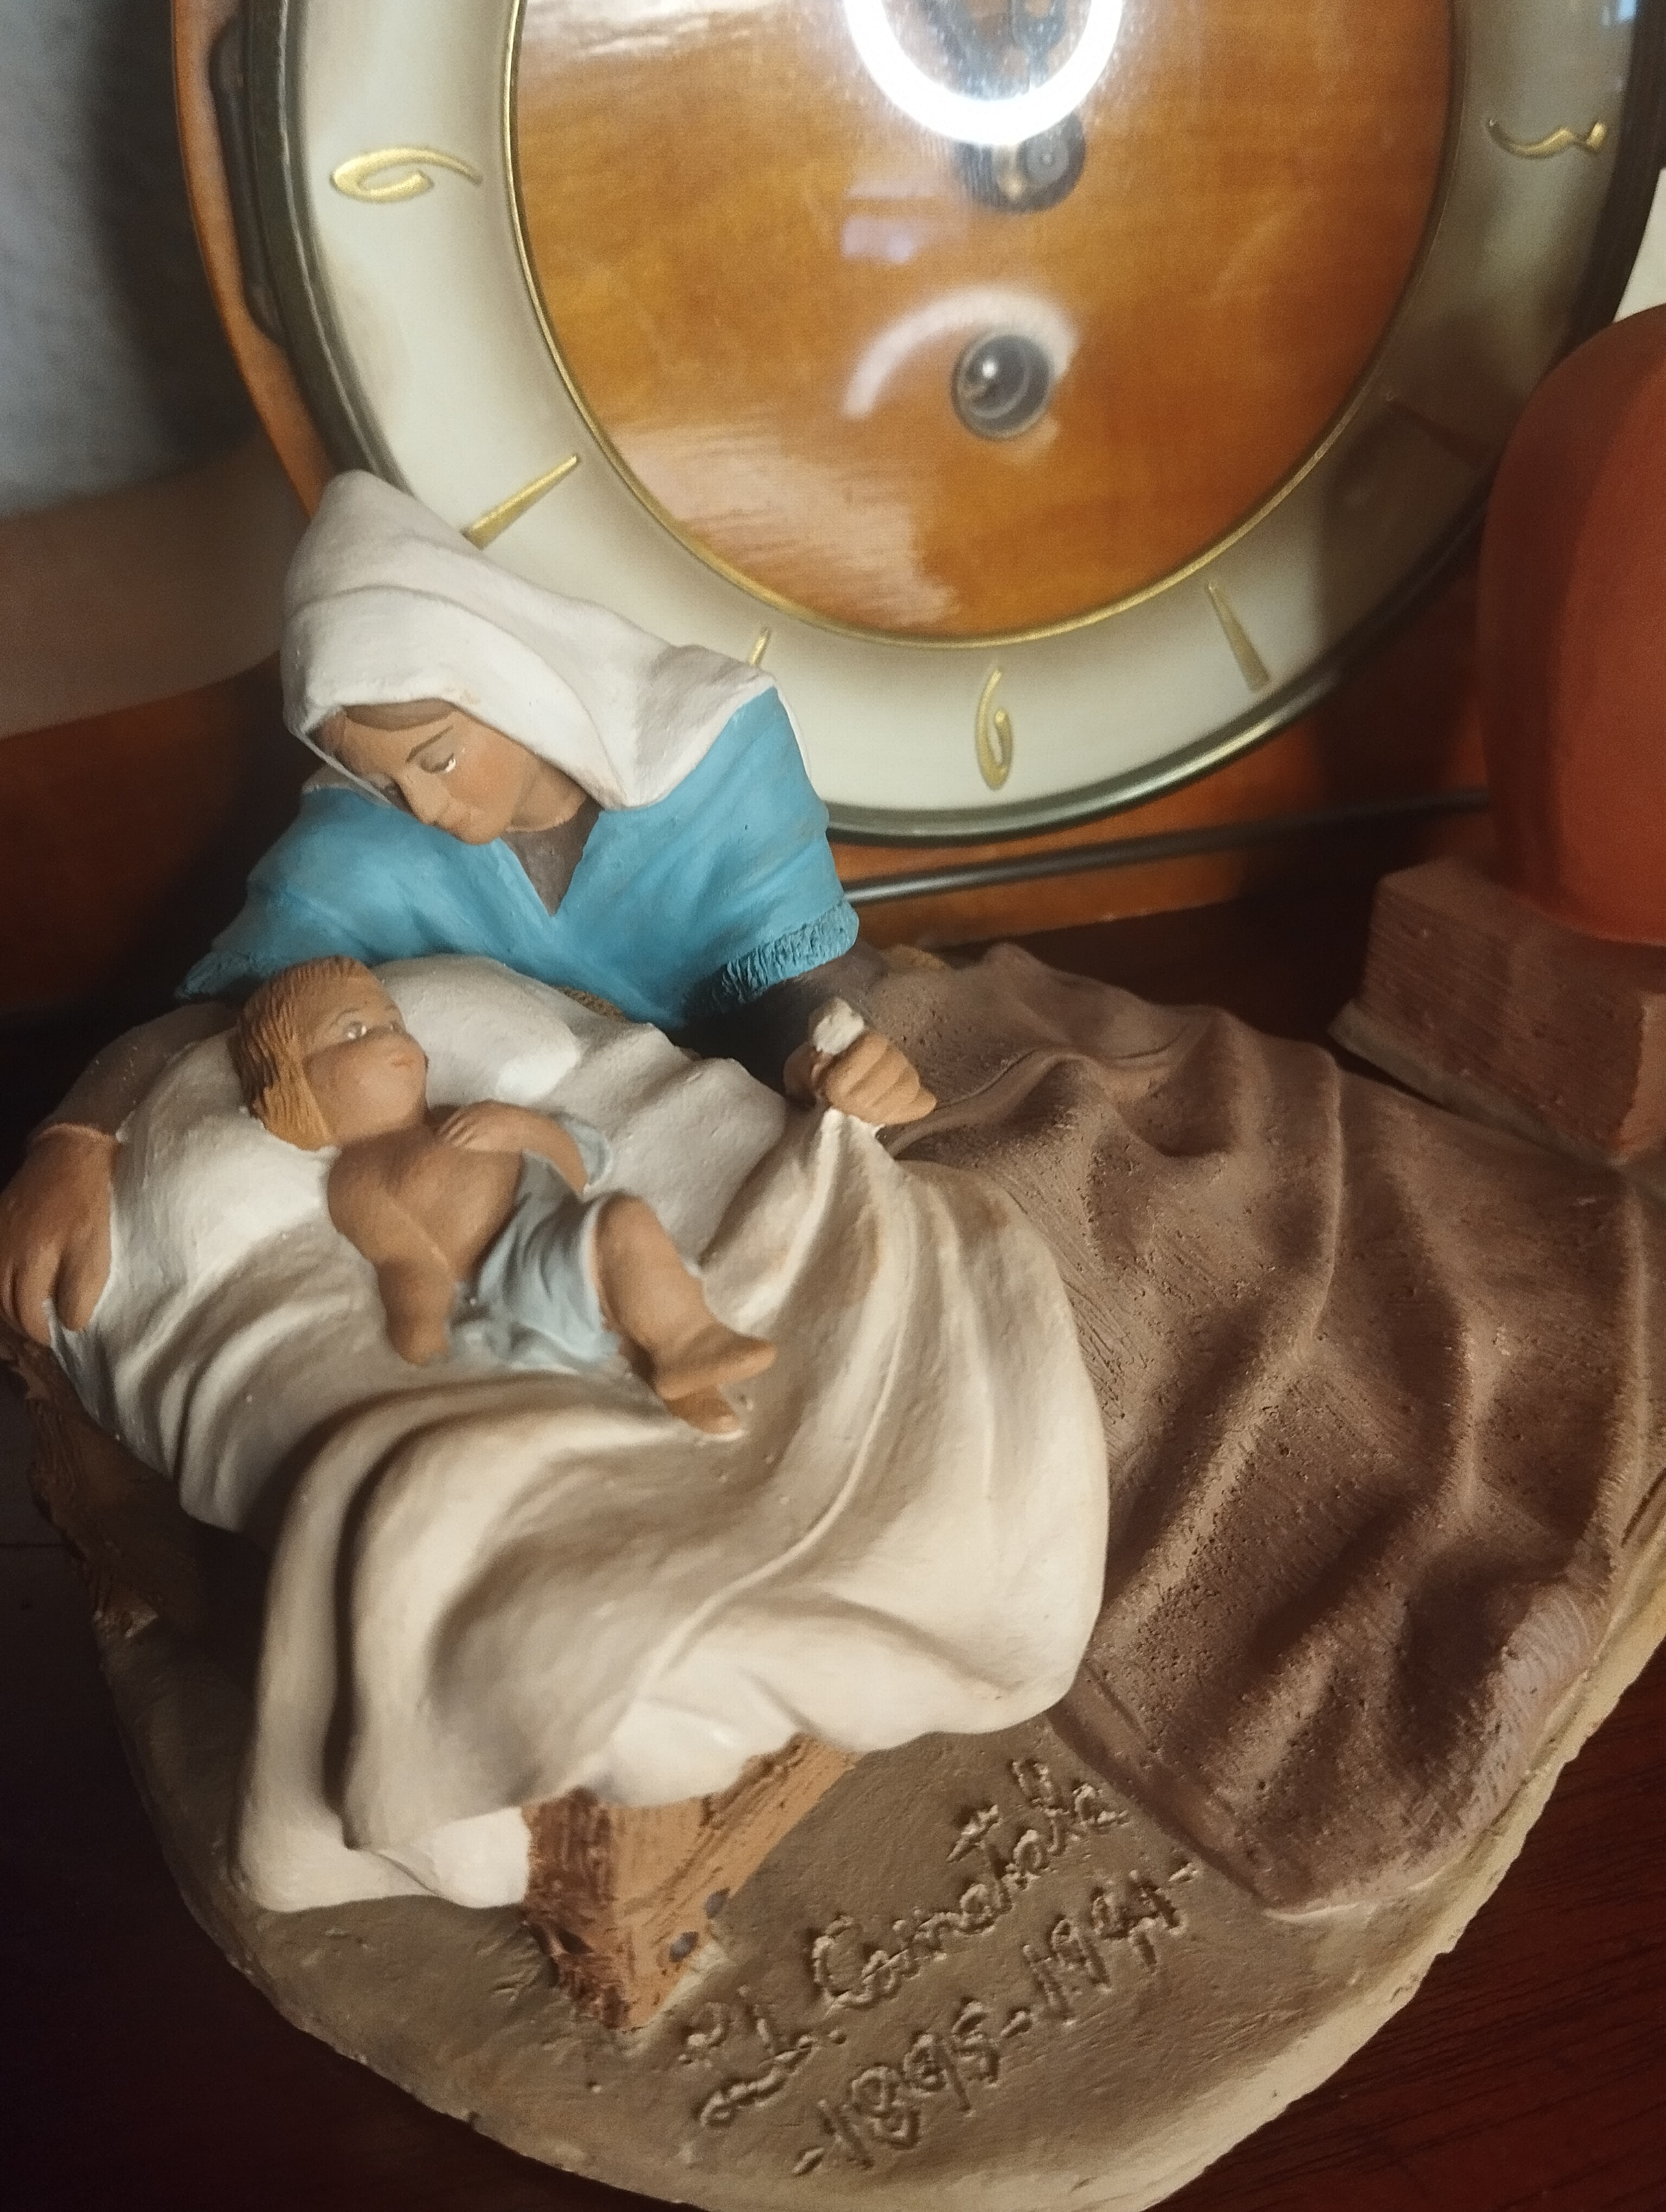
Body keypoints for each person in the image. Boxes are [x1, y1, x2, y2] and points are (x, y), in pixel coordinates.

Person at [0, 473, 933, 1346]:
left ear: (512, 685)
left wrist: (826, 1055)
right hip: (548, 1163)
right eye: (379, 778)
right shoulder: (359, 848)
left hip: (738, 1109)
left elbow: (793, 978)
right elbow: (227, 1011)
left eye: (437, 758)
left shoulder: (714, 755)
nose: (422, 807)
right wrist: (76, 1137)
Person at [232, 956, 774, 1434]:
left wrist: (522, 1128)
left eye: (393, 1023)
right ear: (296, 1086)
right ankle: (689, 1345)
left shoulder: (452, 1116)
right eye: (354, 1032)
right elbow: (405, 1260)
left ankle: (681, 1374)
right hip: (518, 1267)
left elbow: (572, 1174)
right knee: (622, 1219)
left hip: (560, 1223)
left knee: (629, 1258)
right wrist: (421, 1330)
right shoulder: (360, 1178)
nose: (392, 1039)